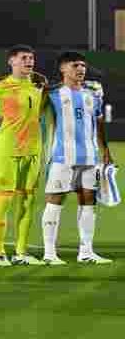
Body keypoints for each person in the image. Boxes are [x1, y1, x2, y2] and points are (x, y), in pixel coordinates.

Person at [41, 51, 113, 265]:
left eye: (82, 65)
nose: (81, 69)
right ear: (63, 69)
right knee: (55, 202)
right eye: (75, 65)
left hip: (89, 157)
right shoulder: (52, 94)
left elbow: (98, 122)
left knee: (88, 202)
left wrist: (105, 148)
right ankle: (49, 253)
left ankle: (87, 252)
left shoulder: (93, 93)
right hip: (62, 157)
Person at [0, 45, 48, 266]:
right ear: (11, 61)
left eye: (31, 58)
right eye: (24, 58)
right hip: (8, 150)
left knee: (28, 201)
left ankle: (20, 252)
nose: (29, 61)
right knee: (4, 199)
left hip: (34, 150)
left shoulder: (38, 86)